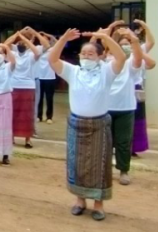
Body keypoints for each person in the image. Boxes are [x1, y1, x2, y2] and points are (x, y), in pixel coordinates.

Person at [48, 28, 127, 221]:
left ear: (100, 56)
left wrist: (105, 37)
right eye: (83, 53)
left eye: (91, 53)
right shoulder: (73, 72)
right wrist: (64, 38)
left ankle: (98, 205)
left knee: (100, 166)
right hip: (76, 124)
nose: (86, 56)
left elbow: (122, 58)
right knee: (77, 164)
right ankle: (80, 200)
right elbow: (52, 59)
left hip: (99, 125)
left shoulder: (107, 72)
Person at [105, 25, 152, 186]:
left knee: (124, 142)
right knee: (105, 141)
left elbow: (140, 59)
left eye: (127, 44)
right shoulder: (106, 61)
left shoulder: (131, 62)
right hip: (105, 108)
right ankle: (104, 170)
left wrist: (134, 40)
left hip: (126, 108)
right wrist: (107, 33)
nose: (124, 47)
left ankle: (123, 170)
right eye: (121, 44)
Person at [6, 28, 41, 150]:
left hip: (28, 87)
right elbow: (6, 45)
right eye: (20, 43)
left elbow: (37, 52)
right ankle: (11, 137)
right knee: (13, 112)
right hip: (13, 86)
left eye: (24, 43)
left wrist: (26, 40)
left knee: (27, 114)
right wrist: (17, 34)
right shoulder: (14, 54)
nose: (21, 45)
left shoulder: (31, 55)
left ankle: (28, 139)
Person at [129, 20, 156, 157]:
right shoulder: (117, 53)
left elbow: (151, 42)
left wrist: (144, 26)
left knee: (137, 120)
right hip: (119, 90)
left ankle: (134, 148)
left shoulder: (140, 50)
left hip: (136, 89)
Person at [36, 32, 58, 123]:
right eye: (41, 39)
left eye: (44, 38)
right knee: (39, 98)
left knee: (49, 98)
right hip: (39, 76)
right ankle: (39, 116)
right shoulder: (38, 48)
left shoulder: (52, 49)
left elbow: (57, 41)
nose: (42, 40)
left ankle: (49, 117)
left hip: (50, 77)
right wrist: (34, 36)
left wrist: (46, 34)